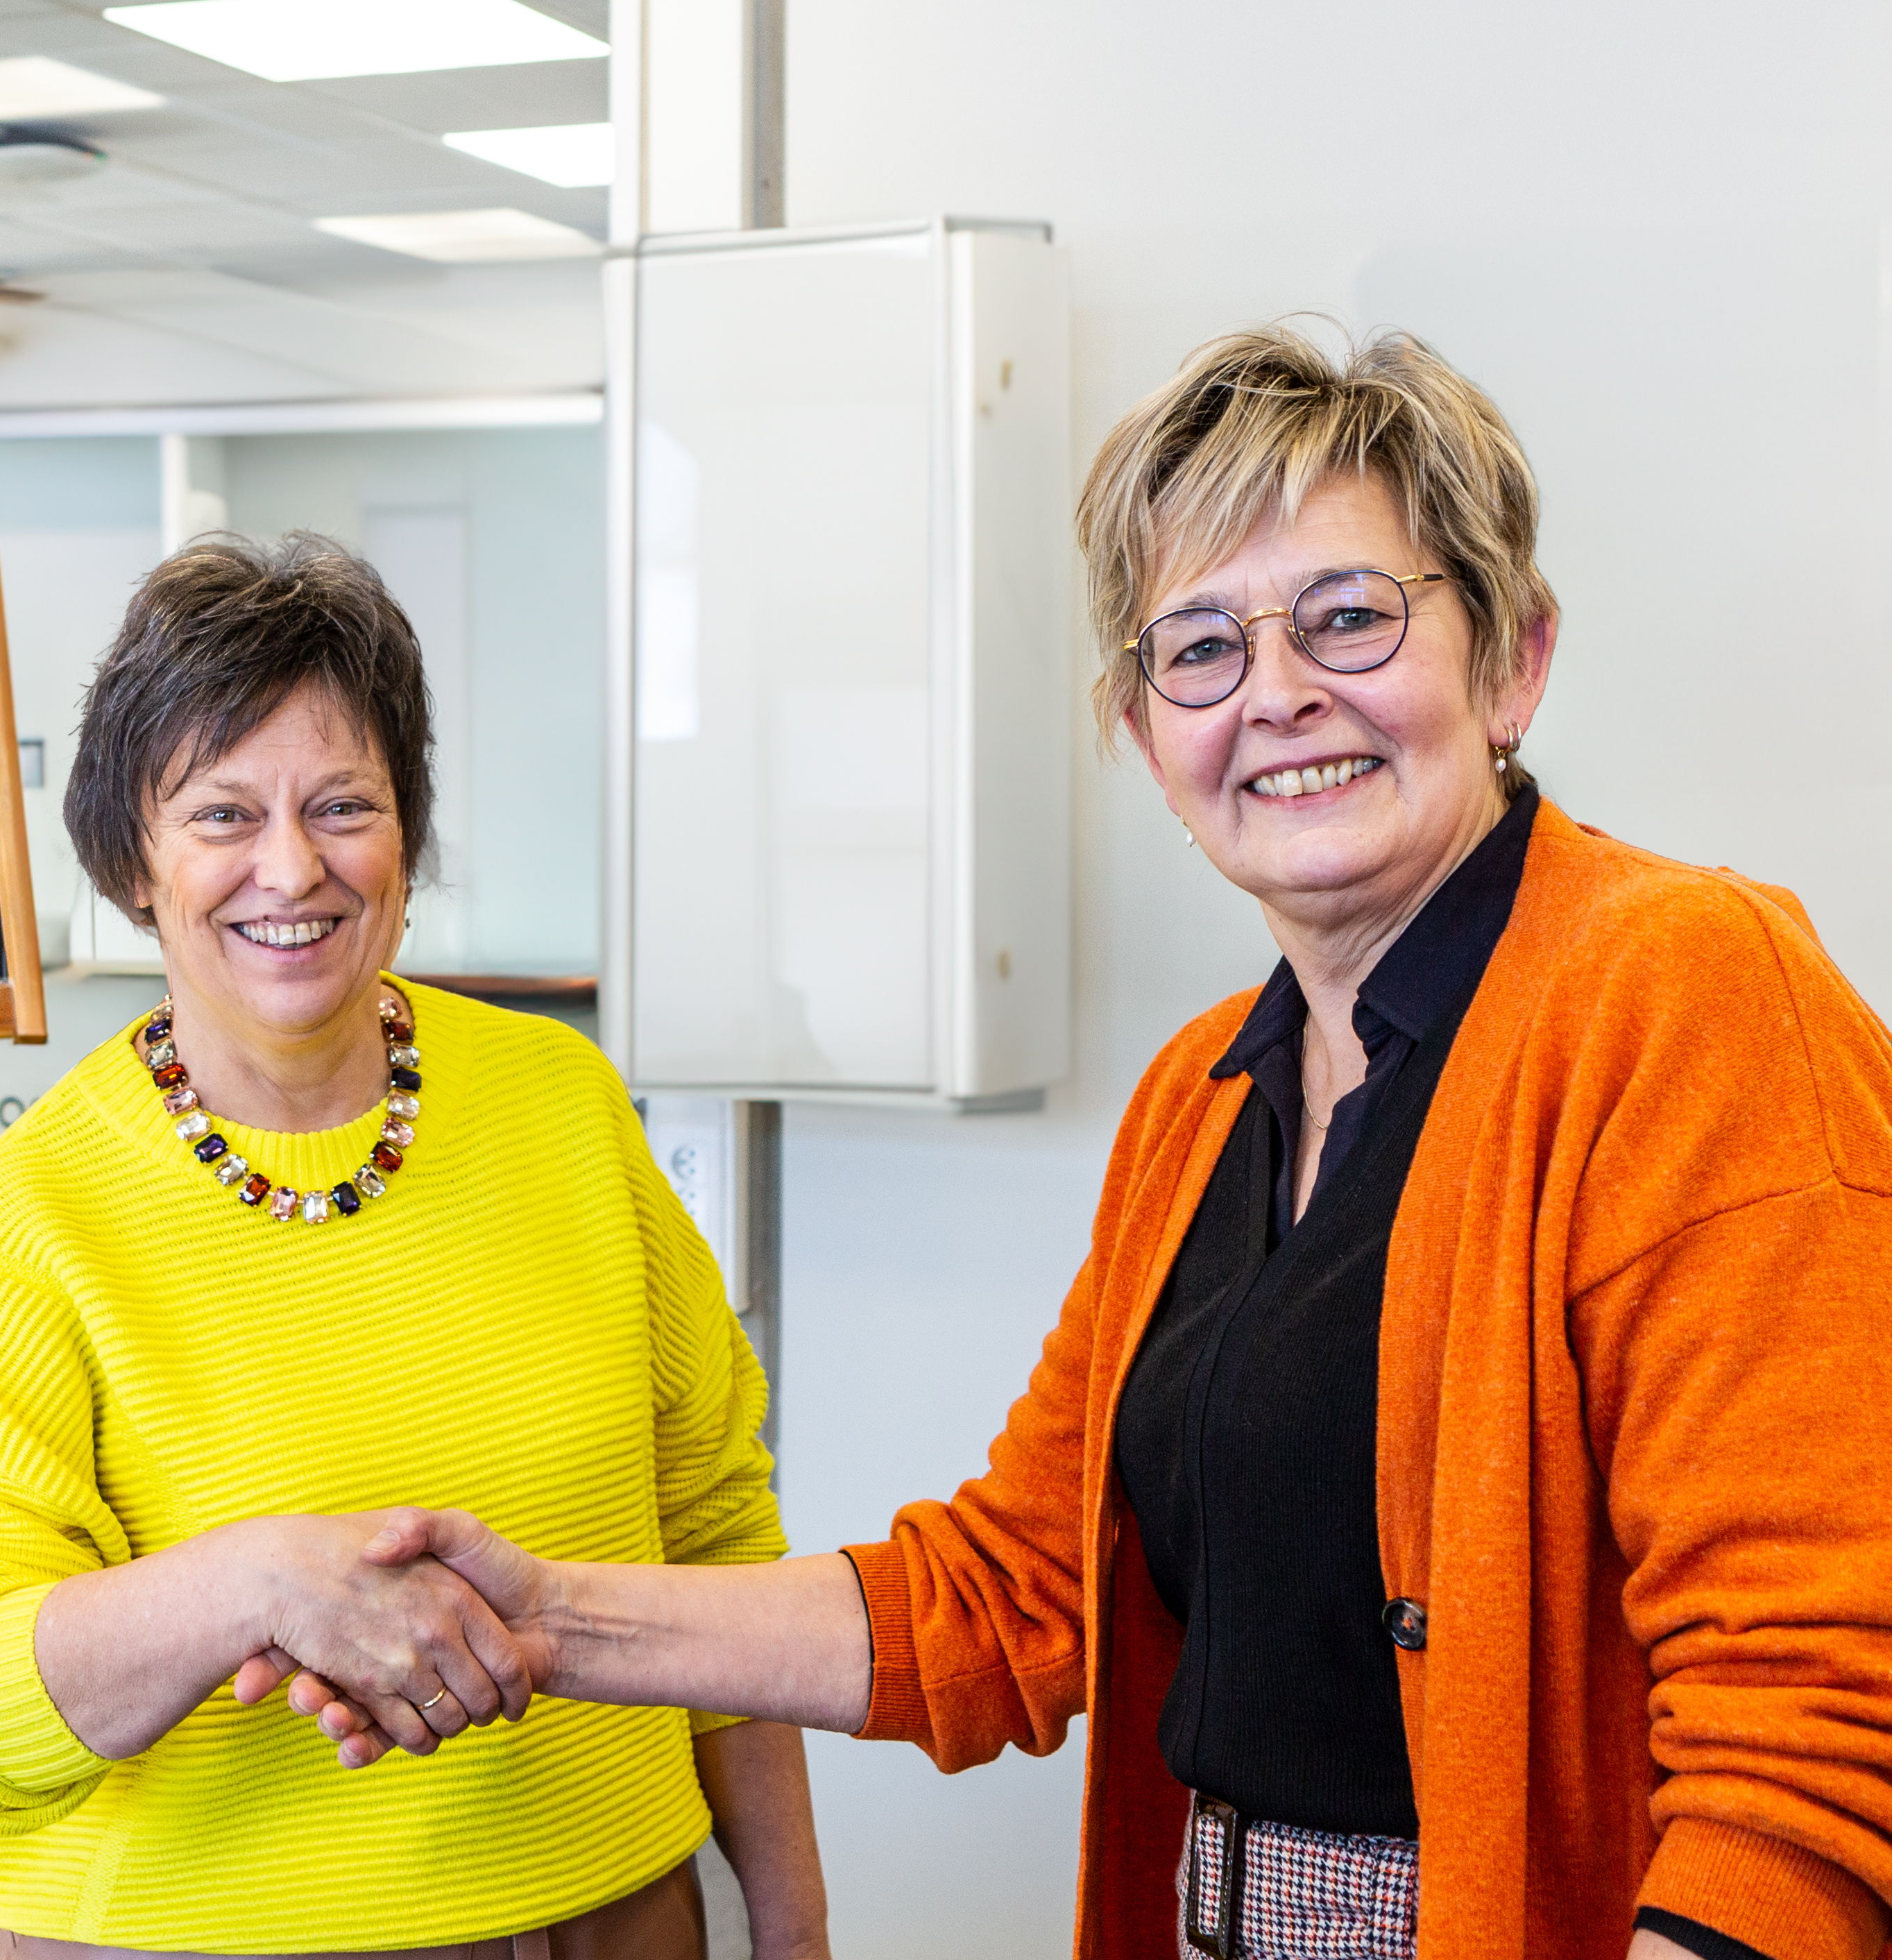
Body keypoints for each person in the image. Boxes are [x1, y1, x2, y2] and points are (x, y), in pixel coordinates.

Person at [294, 329, 1892, 1960]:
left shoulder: (1691, 991)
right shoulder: (1202, 1094)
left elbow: (1820, 1719)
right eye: (1199, 645)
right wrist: (543, 1615)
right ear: (1146, 733)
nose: (1276, 691)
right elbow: (1007, 1594)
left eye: (1349, 614)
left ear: (1514, 659)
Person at [0, 533, 830, 1959]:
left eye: (343, 803)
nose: (290, 866)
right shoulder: (26, 1216)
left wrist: (797, 1931)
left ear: (407, 835)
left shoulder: (562, 1105)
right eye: (223, 813)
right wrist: (252, 1584)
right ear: (133, 856)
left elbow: (720, 1530)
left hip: (618, 1922)